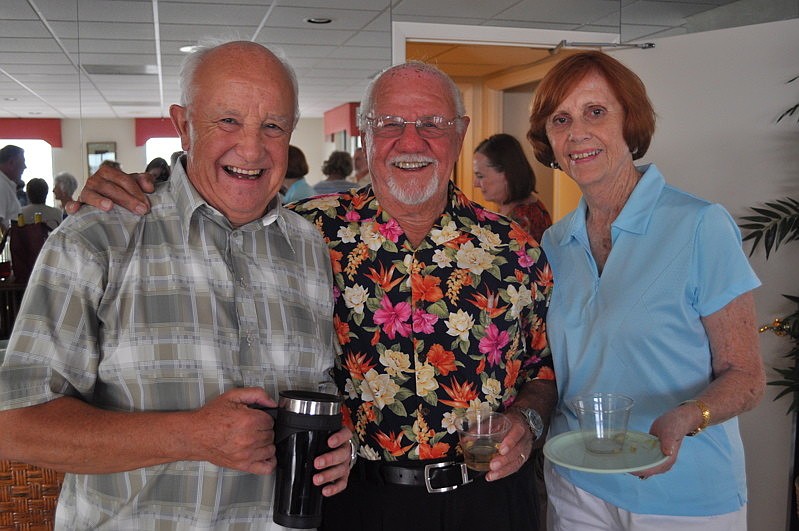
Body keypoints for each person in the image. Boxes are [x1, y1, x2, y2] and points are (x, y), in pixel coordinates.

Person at [67, 60, 556, 531]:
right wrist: (140, 188)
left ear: (461, 132)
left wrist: (527, 421)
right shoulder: (304, 232)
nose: (411, 141)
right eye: (389, 124)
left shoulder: (516, 249)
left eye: (432, 123)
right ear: (364, 133)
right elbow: (216, 200)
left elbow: (544, 371)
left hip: (491, 497)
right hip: (350, 499)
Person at [0, 40, 353, 530]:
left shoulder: (310, 247)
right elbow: (15, 426)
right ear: (183, 125)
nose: (252, 149)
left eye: (272, 126)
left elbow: (319, 388)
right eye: (227, 120)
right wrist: (190, 435)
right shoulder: (96, 237)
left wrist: (339, 448)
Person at [526, 51, 765, 530]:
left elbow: (746, 376)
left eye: (596, 112)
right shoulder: (554, 242)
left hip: (682, 491)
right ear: (548, 140)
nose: (577, 133)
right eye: (561, 119)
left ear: (629, 121)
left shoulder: (700, 225)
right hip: (578, 486)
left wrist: (687, 416)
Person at [473, 133, 552, 242]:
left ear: (506, 174)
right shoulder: (522, 210)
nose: (475, 184)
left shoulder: (522, 220)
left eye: (480, 176)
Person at [0, 145, 24, 228]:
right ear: (11, 162)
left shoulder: (5, 184)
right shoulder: (1, 185)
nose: (25, 166)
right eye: (22, 162)